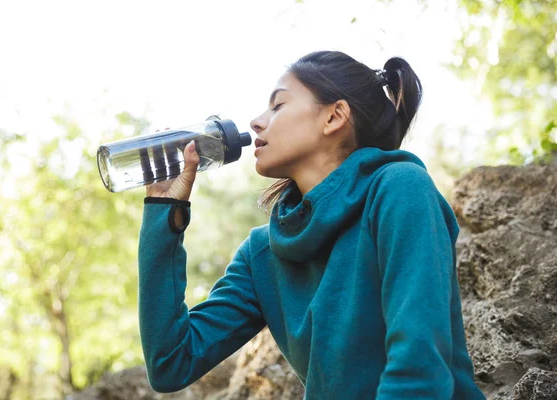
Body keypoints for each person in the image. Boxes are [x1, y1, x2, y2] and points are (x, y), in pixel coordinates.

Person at [137, 50, 486, 399]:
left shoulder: (400, 189)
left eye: (278, 106)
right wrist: (164, 211)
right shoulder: (264, 252)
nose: (257, 122)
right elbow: (170, 362)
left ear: (334, 116)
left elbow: (419, 366)